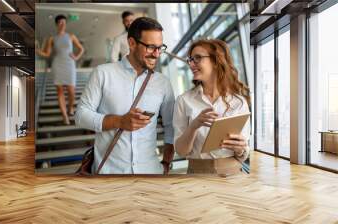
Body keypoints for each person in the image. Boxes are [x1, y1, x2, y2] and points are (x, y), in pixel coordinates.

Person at [75, 17, 175, 174]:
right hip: (110, 175)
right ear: (132, 43)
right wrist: (119, 121)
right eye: (150, 47)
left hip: (150, 173)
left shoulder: (163, 83)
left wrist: (167, 162)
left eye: (159, 47)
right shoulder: (103, 73)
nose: (156, 54)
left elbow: (171, 126)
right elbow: (81, 116)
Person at [173, 39, 251, 175]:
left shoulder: (239, 102)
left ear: (216, 61)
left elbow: (243, 152)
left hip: (233, 173)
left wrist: (240, 148)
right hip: (197, 173)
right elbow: (181, 151)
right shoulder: (184, 100)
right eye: (190, 59)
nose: (191, 64)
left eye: (197, 58)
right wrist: (194, 125)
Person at [36, 14, 84, 125]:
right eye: (60, 22)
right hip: (58, 64)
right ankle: (65, 116)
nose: (62, 24)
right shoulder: (51, 38)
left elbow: (81, 49)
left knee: (72, 91)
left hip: (70, 64)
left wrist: (76, 57)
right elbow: (47, 53)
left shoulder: (71, 36)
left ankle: (70, 108)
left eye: (64, 22)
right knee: (60, 92)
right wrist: (38, 52)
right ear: (57, 24)